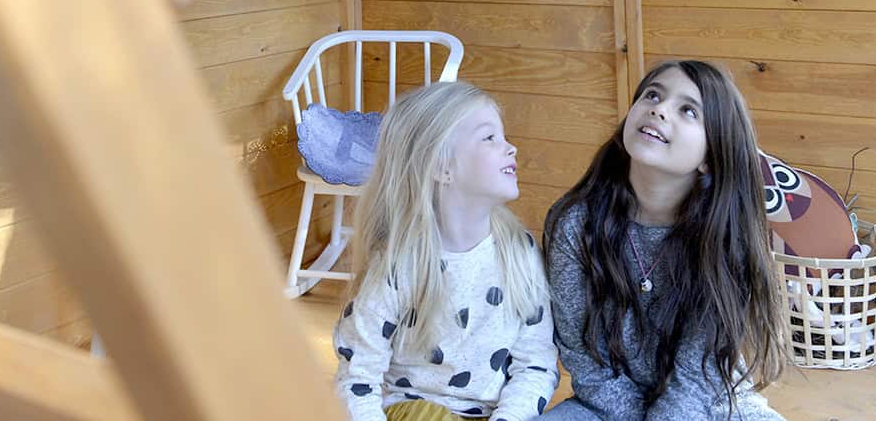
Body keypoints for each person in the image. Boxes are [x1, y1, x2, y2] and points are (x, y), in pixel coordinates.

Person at [541, 60, 786, 420]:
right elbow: (586, 363)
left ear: (710, 158)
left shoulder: (721, 239)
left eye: (688, 110)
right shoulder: (574, 223)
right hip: (605, 407)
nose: (658, 108)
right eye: (652, 95)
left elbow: (696, 380)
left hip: (709, 403)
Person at [334, 81, 558, 421]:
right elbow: (357, 379)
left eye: (503, 136)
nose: (511, 147)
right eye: (489, 137)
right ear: (442, 168)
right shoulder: (398, 265)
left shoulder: (520, 253)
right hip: (416, 412)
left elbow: (536, 365)